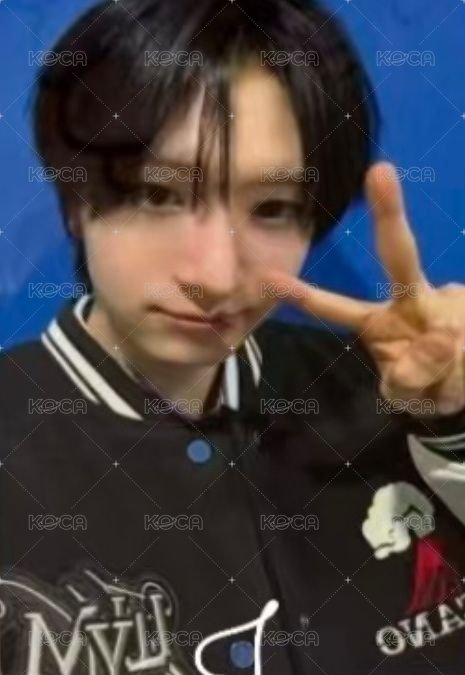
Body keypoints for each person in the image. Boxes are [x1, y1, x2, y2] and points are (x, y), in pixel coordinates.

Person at [2, 0, 465, 673]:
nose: (216, 276)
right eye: (158, 195)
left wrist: (452, 424)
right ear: (76, 201)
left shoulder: (397, 397)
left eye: (272, 208)